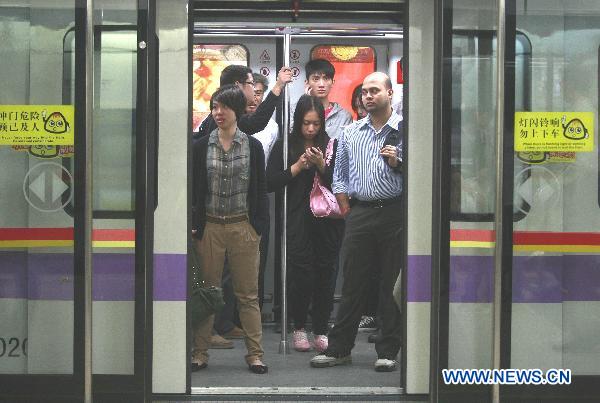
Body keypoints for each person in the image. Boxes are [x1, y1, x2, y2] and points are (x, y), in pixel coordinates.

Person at [310, 72, 403, 372]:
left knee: (391, 284)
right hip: (360, 212)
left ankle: (387, 351)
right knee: (353, 283)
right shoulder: (351, 132)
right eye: (365, 92)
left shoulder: (405, 130)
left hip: (395, 212)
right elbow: (340, 175)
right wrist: (347, 207)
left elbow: (423, 172)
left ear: (390, 93)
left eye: (375, 90)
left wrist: (398, 163)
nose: (368, 96)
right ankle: (339, 349)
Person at [191, 84, 269, 374]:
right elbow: (193, 189)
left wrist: (256, 227)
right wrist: (194, 225)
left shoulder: (253, 146)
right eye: (214, 106)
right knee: (208, 292)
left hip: (242, 227)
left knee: (247, 294)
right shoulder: (201, 146)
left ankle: (255, 354)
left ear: (237, 110)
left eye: (224, 107)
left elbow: (260, 190)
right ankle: (200, 352)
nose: (218, 112)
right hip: (210, 226)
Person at [266, 95, 344, 353]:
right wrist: (297, 167)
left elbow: (343, 186)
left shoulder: (332, 145)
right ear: (298, 122)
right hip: (297, 218)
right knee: (301, 275)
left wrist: (322, 165)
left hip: (327, 221)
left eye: (316, 124)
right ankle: (299, 326)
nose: (311, 129)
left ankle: (321, 328)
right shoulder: (286, 145)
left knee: (325, 274)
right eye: (306, 123)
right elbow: (270, 182)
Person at [247, 72, 280, 309]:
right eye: (251, 92)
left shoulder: (273, 127)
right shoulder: (231, 120)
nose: (254, 98)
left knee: (259, 255)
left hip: (259, 195)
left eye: (259, 93)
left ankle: (254, 311)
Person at [195, 64, 292, 139]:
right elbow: (256, 122)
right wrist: (278, 86)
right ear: (238, 85)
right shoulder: (226, 113)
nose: (254, 89)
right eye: (251, 83)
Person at [304, 59, 352, 140]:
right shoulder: (294, 110)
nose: (321, 85)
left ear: (332, 82)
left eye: (326, 79)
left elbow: (345, 147)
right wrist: (307, 103)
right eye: (316, 79)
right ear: (307, 83)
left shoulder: (344, 116)